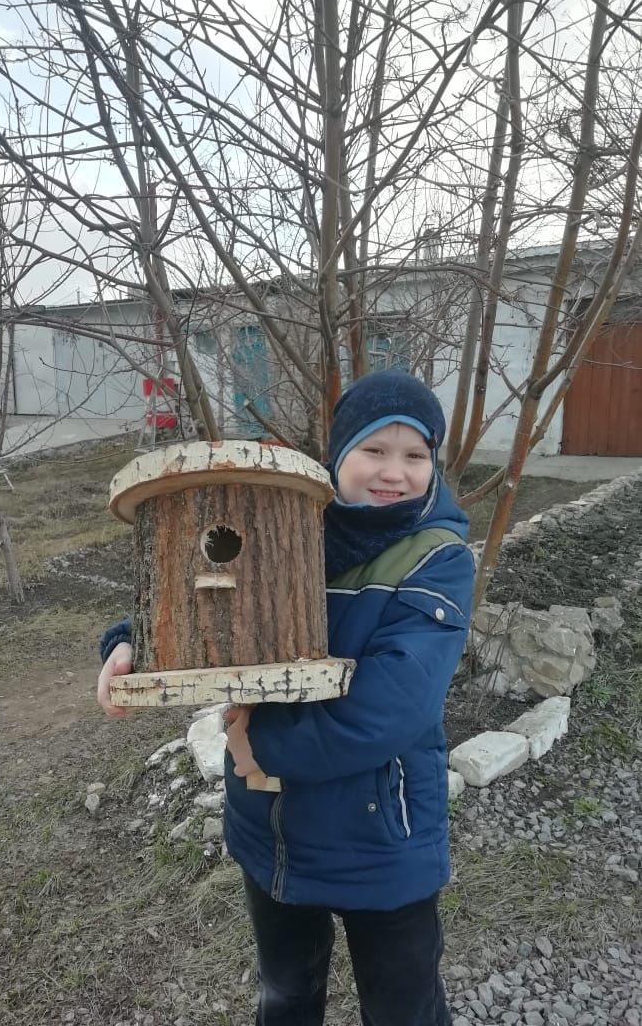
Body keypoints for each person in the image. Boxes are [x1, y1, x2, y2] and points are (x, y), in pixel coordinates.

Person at [97, 369, 475, 1026]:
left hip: (381, 838)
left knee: (403, 1008)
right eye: (373, 450)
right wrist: (128, 644)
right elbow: (210, 595)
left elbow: (392, 709)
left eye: (415, 455)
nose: (394, 471)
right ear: (338, 458)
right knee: (285, 996)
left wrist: (256, 744)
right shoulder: (291, 523)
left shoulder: (436, 559)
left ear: (433, 465)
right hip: (270, 831)